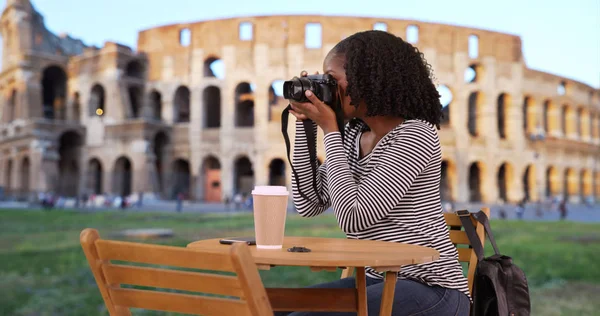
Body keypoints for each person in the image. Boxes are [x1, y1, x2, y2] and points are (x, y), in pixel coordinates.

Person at [285, 30, 470, 315]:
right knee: (272, 306)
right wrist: (306, 126)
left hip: (432, 287)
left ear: (368, 80)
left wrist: (331, 131)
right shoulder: (353, 134)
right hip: (375, 278)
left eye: (332, 80)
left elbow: (355, 219)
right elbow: (309, 204)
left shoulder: (416, 135)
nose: (326, 89)